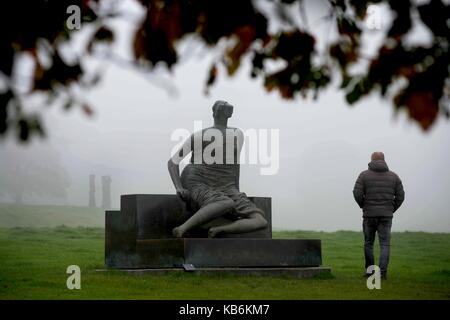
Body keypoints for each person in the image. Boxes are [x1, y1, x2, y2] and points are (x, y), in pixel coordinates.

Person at [167, 100, 268, 238]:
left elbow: (235, 164)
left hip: (226, 184)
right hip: (198, 179)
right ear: (215, 113)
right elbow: (173, 162)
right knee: (225, 202)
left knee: (260, 221)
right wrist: (178, 187)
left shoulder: (236, 134)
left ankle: (219, 229)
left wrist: (236, 189)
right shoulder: (199, 135)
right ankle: (181, 229)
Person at [353, 151, 405, 279]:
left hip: (369, 215)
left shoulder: (364, 175)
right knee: (385, 244)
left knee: (368, 244)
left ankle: (370, 272)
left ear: (371, 160)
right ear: (384, 160)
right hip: (386, 216)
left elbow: (357, 193)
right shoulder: (394, 176)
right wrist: (390, 209)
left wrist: (364, 206)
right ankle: (382, 274)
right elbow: (401, 196)